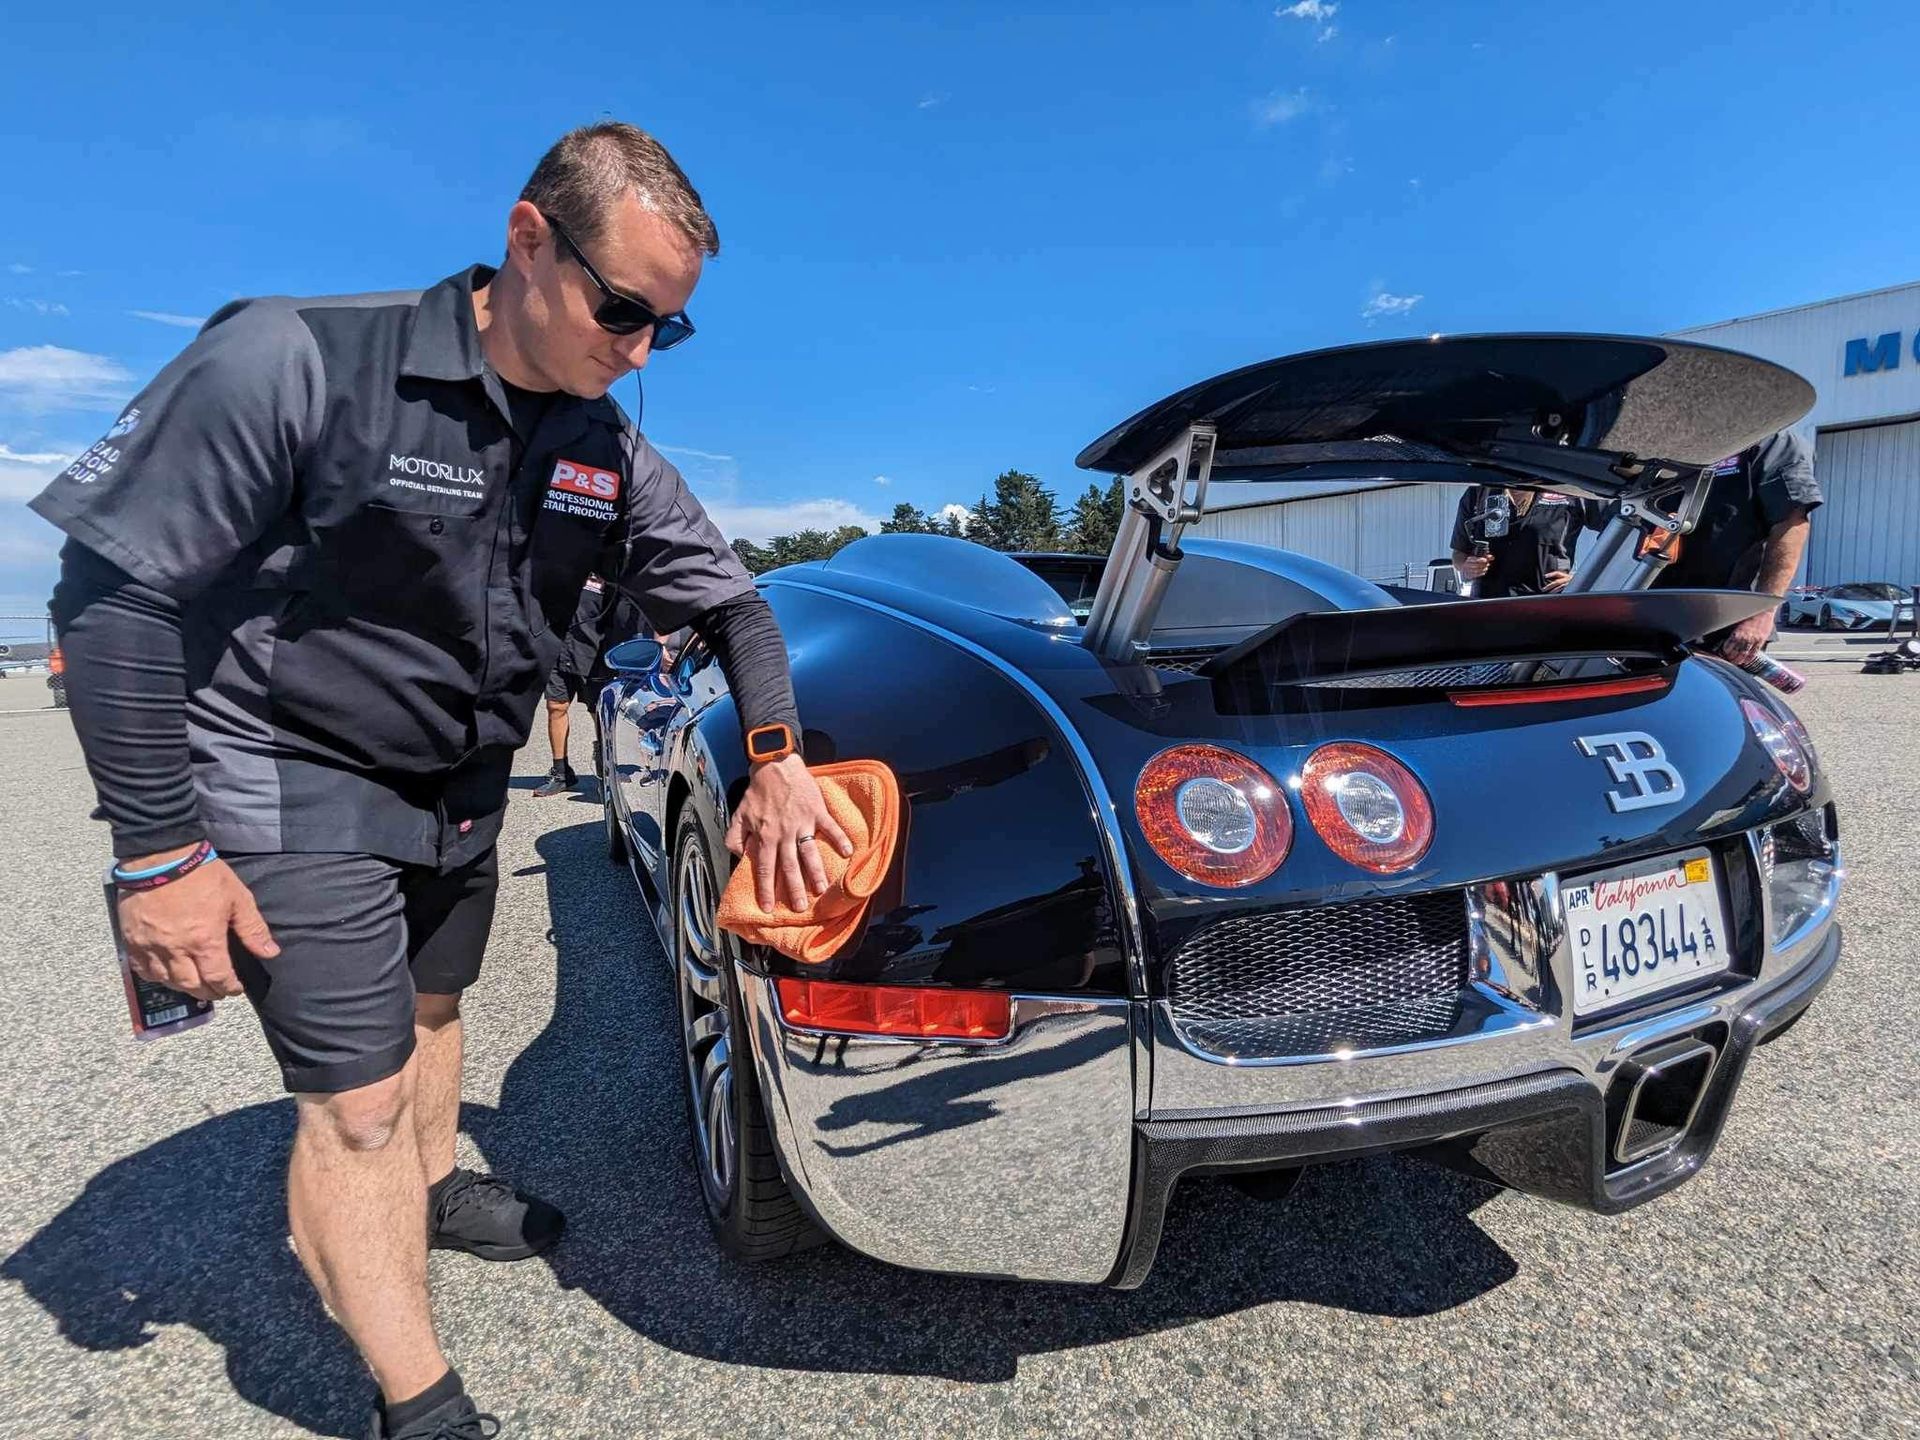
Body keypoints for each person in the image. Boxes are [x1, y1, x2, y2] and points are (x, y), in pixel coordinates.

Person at [31, 122, 854, 1440]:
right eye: (622, 309)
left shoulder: (603, 449)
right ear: (528, 239)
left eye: (670, 331)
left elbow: (736, 609)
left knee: (430, 1018)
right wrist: (161, 859)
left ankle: (423, 1194)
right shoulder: (297, 358)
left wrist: (778, 763)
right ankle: (420, 1404)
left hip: (458, 786)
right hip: (284, 777)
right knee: (355, 1108)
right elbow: (114, 595)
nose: (640, 352)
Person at [1651, 429, 1822, 665]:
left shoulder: (1771, 442)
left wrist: (1763, 613)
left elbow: (1791, 524)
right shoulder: (1669, 444)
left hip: (1726, 624)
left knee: (1715, 699)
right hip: (1653, 616)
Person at [532, 572, 646, 798]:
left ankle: (605, 766)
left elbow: (624, 614)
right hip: (557, 648)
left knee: (598, 711)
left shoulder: (608, 573)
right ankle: (561, 772)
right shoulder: (560, 566)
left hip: (593, 653)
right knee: (556, 706)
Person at [1450, 485, 1606, 597]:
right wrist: (1467, 566)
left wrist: (1582, 579)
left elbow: (1623, 527)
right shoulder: (1478, 493)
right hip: (1489, 607)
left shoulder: (1569, 490)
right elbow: (1459, 554)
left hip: (1547, 606)